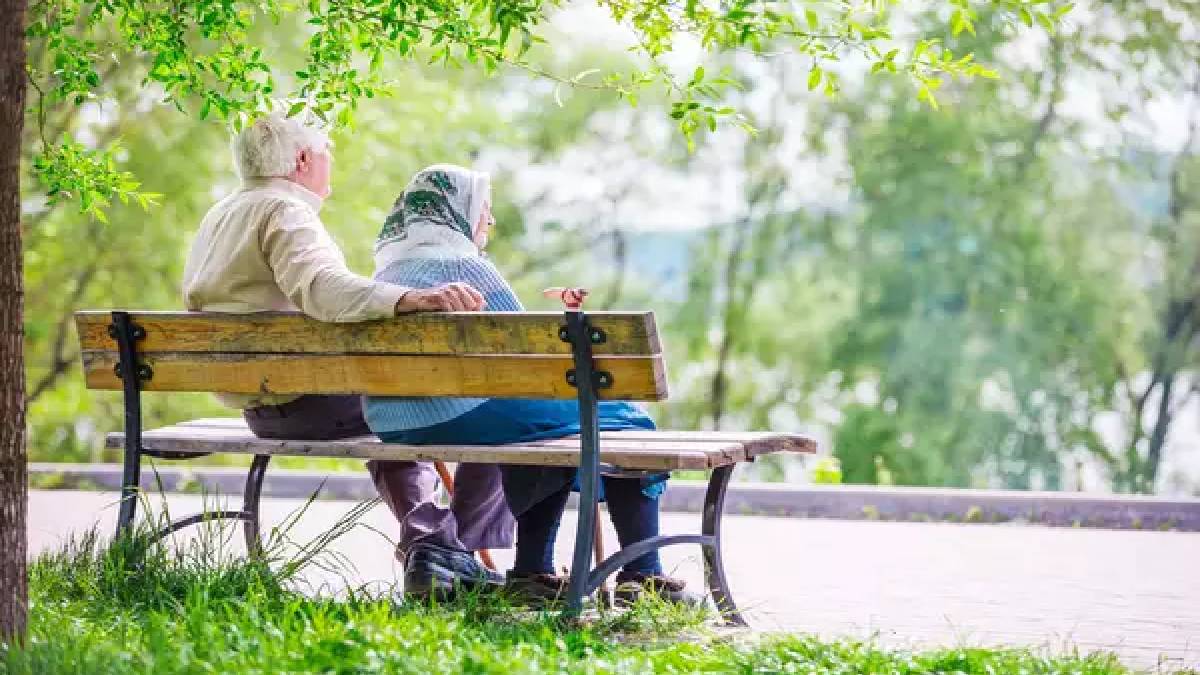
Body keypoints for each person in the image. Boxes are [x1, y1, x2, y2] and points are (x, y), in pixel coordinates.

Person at [181, 113, 514, 598]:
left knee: (389, 402)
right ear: (302, 159)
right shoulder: (284, 211)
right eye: (326, 154)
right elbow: (322, 289)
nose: (328, 165)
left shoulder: (222, 214)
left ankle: (438, 547)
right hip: (307, 400)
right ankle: (443, 550)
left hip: (262, 409)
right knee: (483, 408)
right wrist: (408, 299)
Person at [365, 164, 701, 606]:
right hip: (462, 414)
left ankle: (535, 574)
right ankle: (642, 577)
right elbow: (535, 364)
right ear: (459, 213)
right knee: (629, 423)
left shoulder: (382, 277)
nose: (491, 221)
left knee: (544, 430)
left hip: (394, 422)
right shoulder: (467, 268)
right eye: (484, 210)